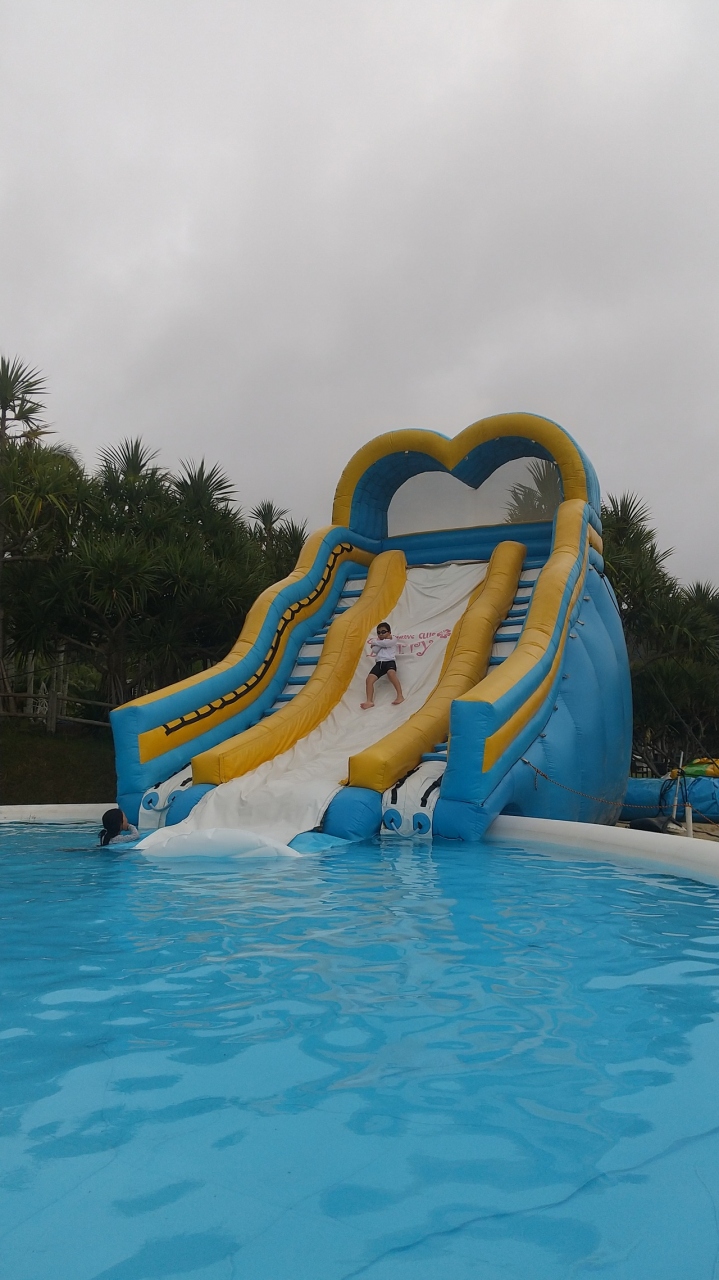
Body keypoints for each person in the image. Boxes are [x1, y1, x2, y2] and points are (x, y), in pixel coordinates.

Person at [361, 622, 404, 709]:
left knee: (391, 674)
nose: (381, 634)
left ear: (389, 632)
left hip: (389, 661)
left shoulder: (393, 639)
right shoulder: (380, 641)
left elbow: (387, 644)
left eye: (383, 632)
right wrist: (379, 642)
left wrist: (375, 642)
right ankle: (369, 701)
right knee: (369, 680)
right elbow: (375, 650)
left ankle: (400, 696)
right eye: (378, 633)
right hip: (379, 663)